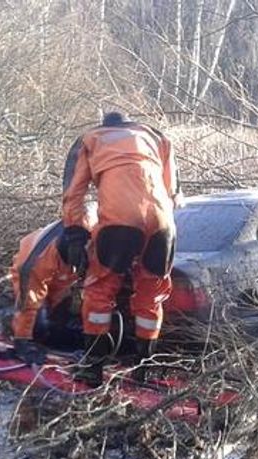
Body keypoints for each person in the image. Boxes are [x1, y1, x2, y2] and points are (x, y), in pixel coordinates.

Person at [61, 111, 181, 383]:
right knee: (151, 295)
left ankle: (93, 367)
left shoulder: (91, 139)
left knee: (99, 291)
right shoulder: (157, 137)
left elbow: (73, 193)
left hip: (120, 218)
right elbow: (172, 190)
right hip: (164, 223)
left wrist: (76, 235)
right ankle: (144, 368)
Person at [6, 221, 92, 365]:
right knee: (39, 328)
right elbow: (29, 302)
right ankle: (11, 322)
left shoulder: (99, 231)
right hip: (37, 271)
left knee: (63, 323)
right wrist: (22, 342)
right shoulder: (34, 263)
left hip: (65, 276)